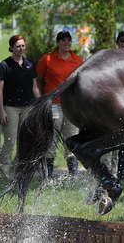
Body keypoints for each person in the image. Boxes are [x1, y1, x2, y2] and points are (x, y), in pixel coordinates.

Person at [36, 31, 82, 177]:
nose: (66, 43)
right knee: (51, 139)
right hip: (53, 104)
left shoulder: (78, 60)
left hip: (72, 105)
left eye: (69, 40)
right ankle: (48, 174)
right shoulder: (47, 59)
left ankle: (73, 174)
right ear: (58, 42)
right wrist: (40, 99)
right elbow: (38, 79)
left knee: (72, 138)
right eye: (63, 41)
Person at [0, 35, 40, 178]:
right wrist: (2, 111)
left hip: (27, 107)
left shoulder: (29, 64)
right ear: (11, 48)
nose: (20, 48)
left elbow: (35, 87)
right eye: (17, 46)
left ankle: (19, 170)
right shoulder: (4, 65)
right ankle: (4, 172)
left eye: (22, 46)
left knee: (25, 141)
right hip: (11, 107)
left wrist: (40, 105)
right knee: (10, 140)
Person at [113, 31, 124, 179]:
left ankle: (121, 174)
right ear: (117, 43)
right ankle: (110, 173)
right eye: (122, 41)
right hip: (113, 107)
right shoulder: (111, 60)